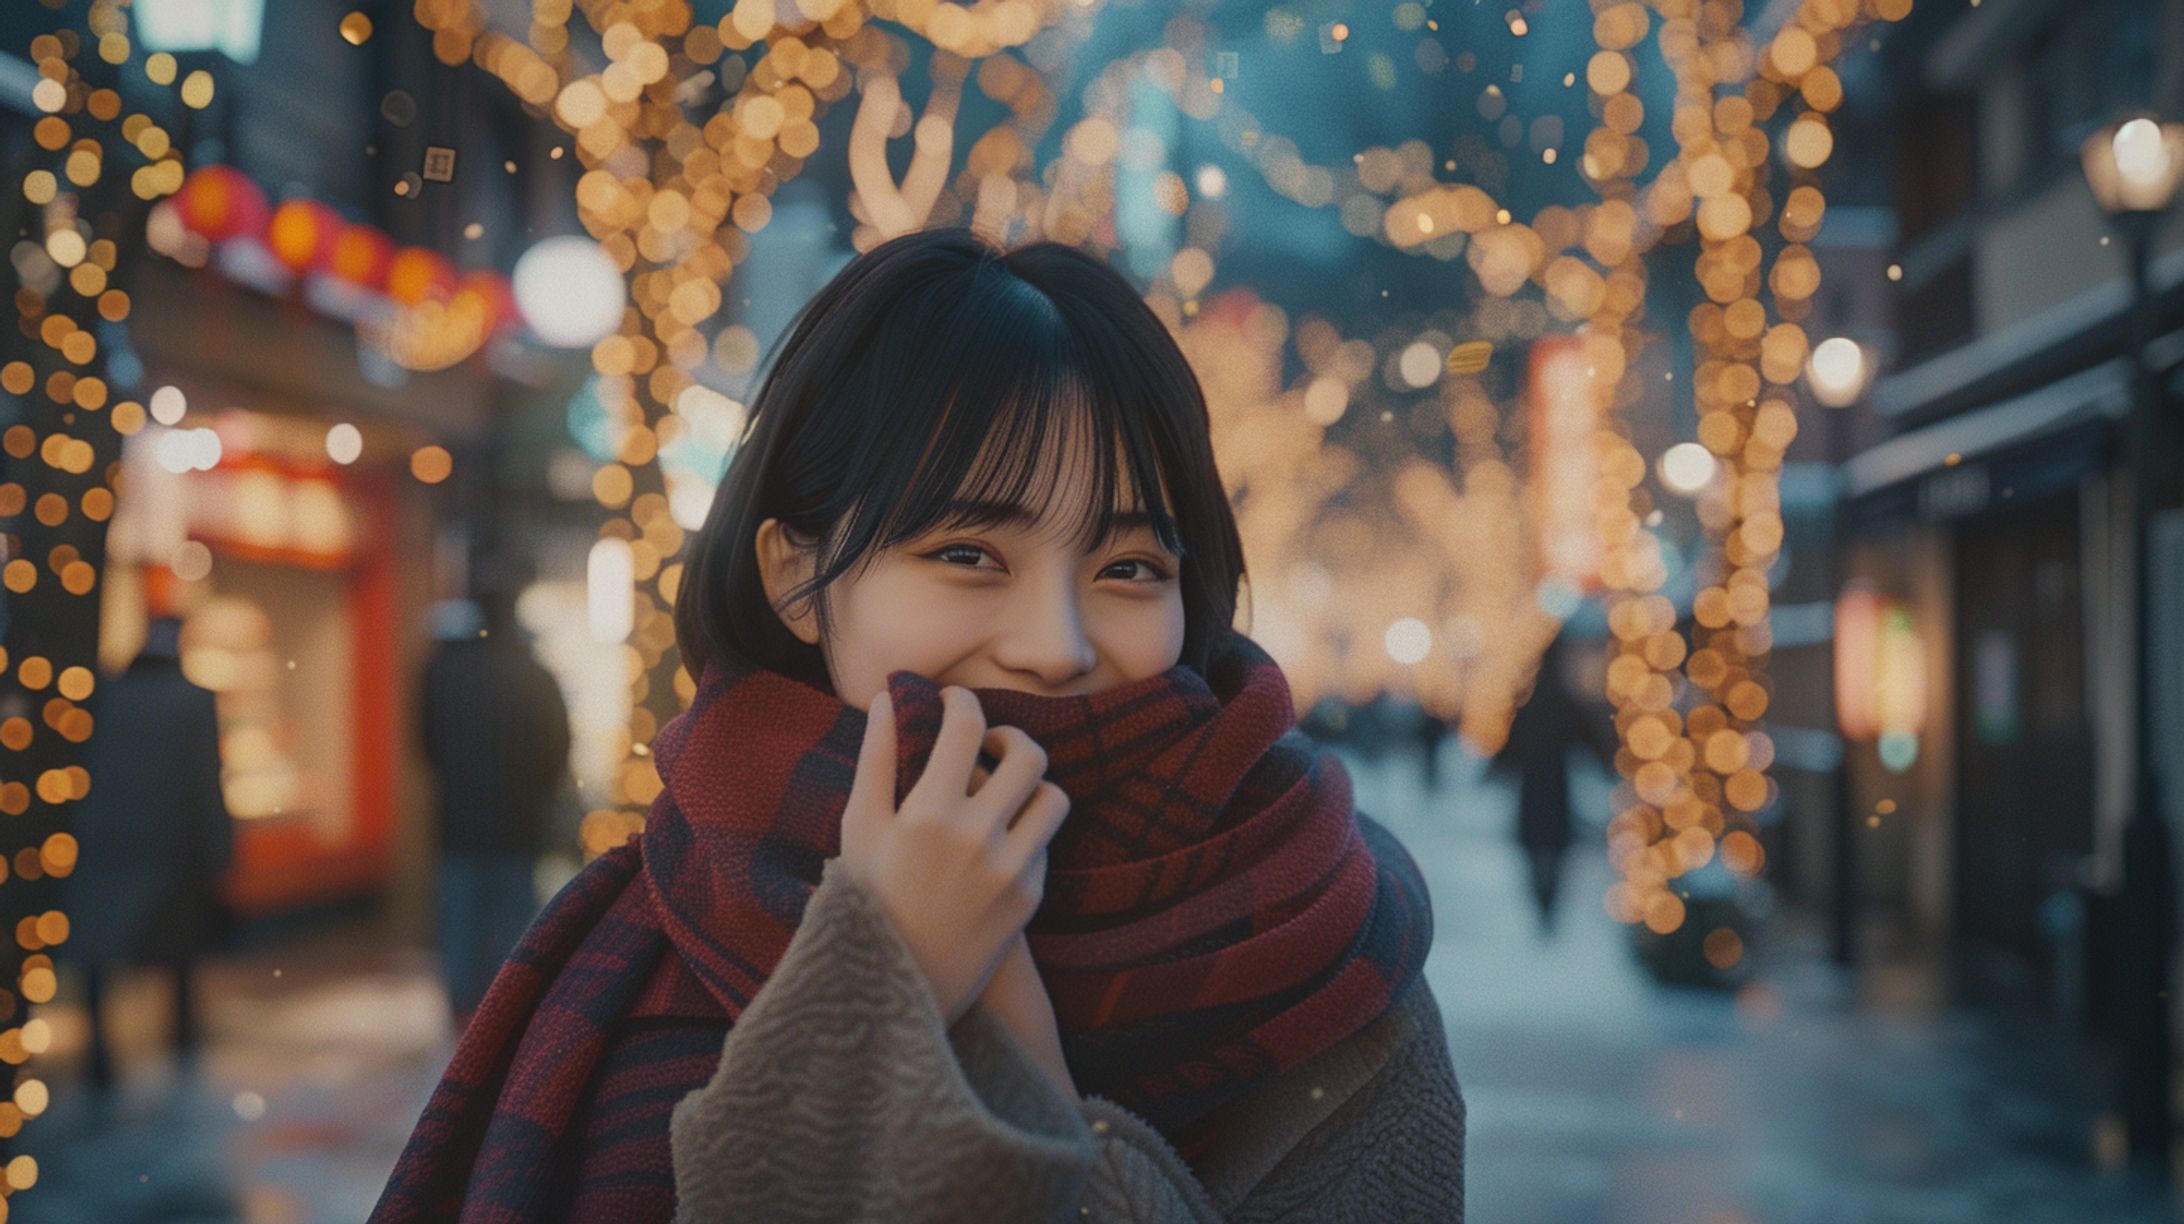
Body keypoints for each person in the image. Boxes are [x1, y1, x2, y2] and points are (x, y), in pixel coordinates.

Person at [373, 228, 1464, 1221]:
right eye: (967, 555)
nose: (1056, 644)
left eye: (1129, 567)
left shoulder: (1330, 956)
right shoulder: (644, 942)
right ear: (798, 579)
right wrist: (880, 976)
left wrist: (1006, 1058)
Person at [63, 615, 234, 1090]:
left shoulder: (102, 695)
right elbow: (206, 783)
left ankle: (99, 1053)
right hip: (170, 847)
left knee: (98, 957)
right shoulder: (194, 700)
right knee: (178, 955)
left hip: (106, 846)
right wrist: (220, 853)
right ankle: (182, 1045)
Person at [418, 573, 572, 1028]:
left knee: (460, 926)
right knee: (513, 928)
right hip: (517, 826)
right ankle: (505, 1016)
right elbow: (556, 750)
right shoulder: (534, 673)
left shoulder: (444, 671)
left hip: (459, 824)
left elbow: (426, 744)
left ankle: (463, 1017)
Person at [1490, 629, 1617, 936]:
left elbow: (1508, 751)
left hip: (1532, 792)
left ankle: (1541, 904)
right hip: (1557, 791)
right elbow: (1595, 744)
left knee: (1535, 851)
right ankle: (1549, 907)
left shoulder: (1527, 705)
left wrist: (1495, 770)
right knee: (1555, 853)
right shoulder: (1568, 703)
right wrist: (1608, 764)